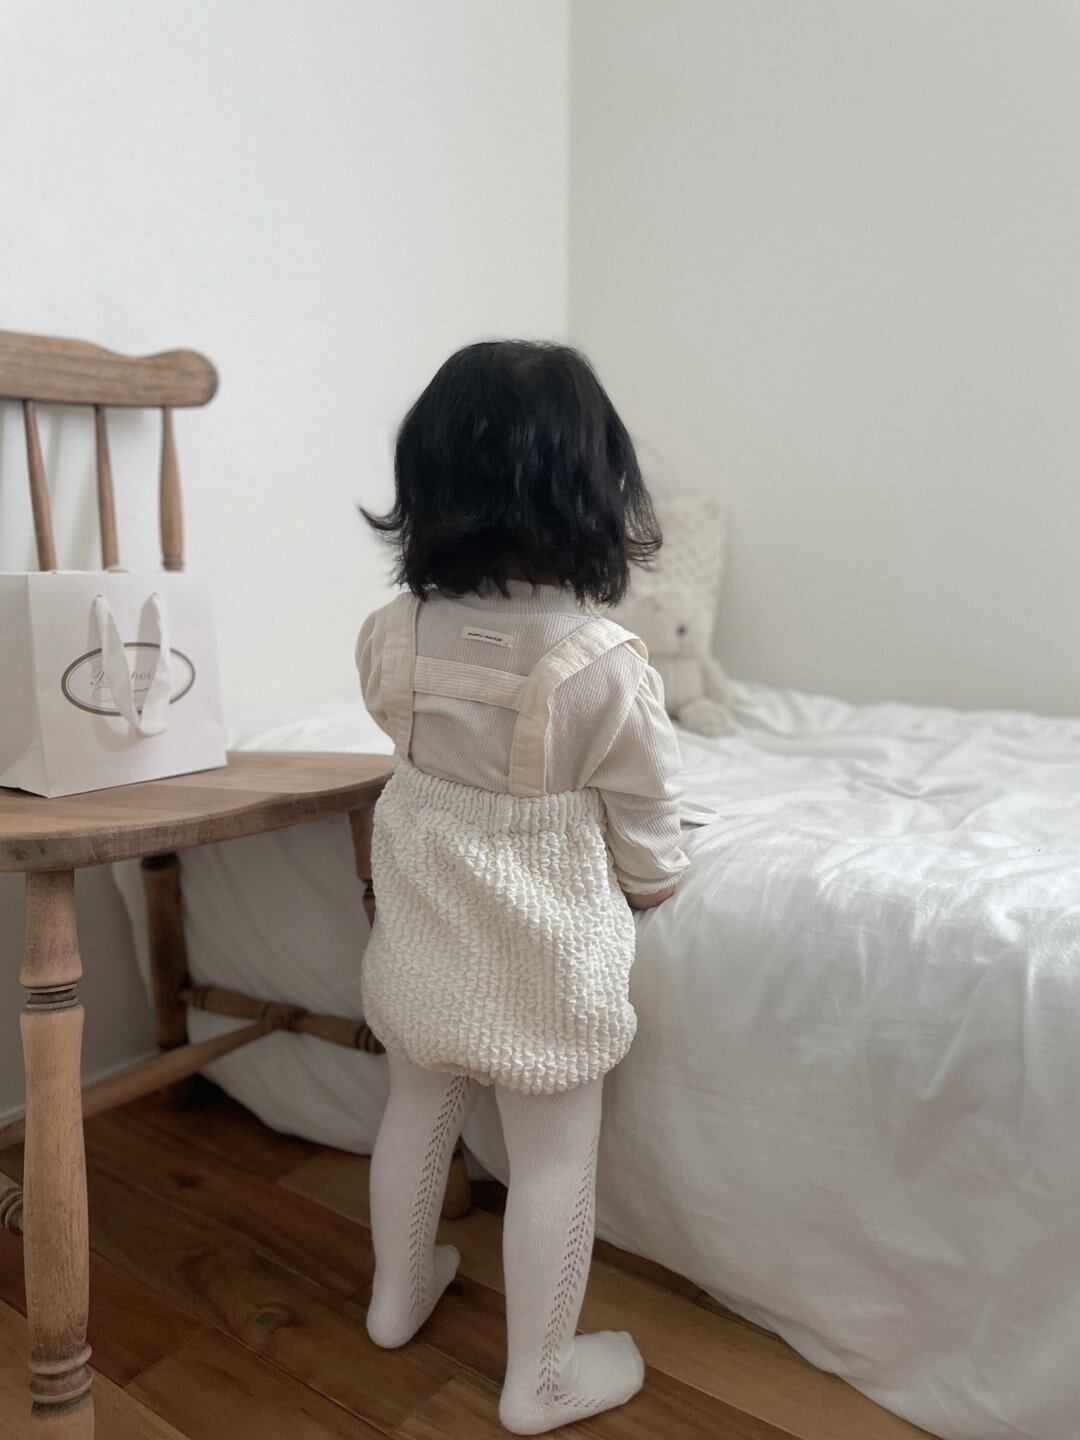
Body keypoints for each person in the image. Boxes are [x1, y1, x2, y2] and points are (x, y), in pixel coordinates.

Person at [356, 340, 687, 1434]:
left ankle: (397, 1297)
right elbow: (644, 808)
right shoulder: (601, 662)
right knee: (552, 1166)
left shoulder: (391, 635)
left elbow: (400, 734)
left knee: (415, 1111)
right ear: (594, 488)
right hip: (541, 953)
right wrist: (653, 882)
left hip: (423, 930)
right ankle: (540, 1379)